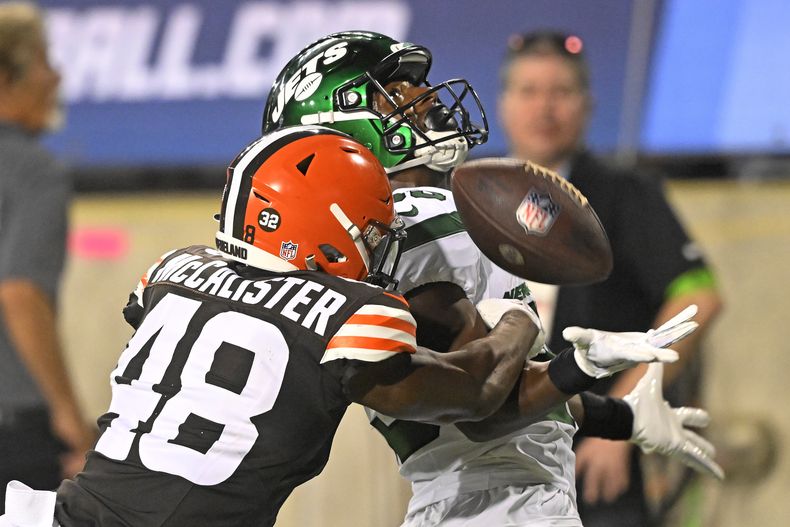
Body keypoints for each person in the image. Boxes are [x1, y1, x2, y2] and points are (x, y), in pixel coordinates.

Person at [262, 31, 721, 526]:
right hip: (496, 506)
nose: (426, 101)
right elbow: (486, 406)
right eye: (394, 94)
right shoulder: (415, 225)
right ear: (344, 122)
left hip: (482, 499)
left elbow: (504, 387)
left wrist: (619, 415)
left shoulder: (367, 239)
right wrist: (563, 354)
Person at [498, 30, 724, 526]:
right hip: (489, 455)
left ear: (587, 105)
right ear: (504, 103)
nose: (545, 107)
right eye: (529, 91)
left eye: (561, 92)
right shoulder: (474, 192)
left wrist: (621, 415)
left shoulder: (625, 193)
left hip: (592, 454)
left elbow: (698, 297)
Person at [0, 2, 94, 513]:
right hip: (13, 430)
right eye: (42, 60)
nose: (56, 77)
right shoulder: (35, 172)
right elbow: (20, 293)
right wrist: (69, 422)